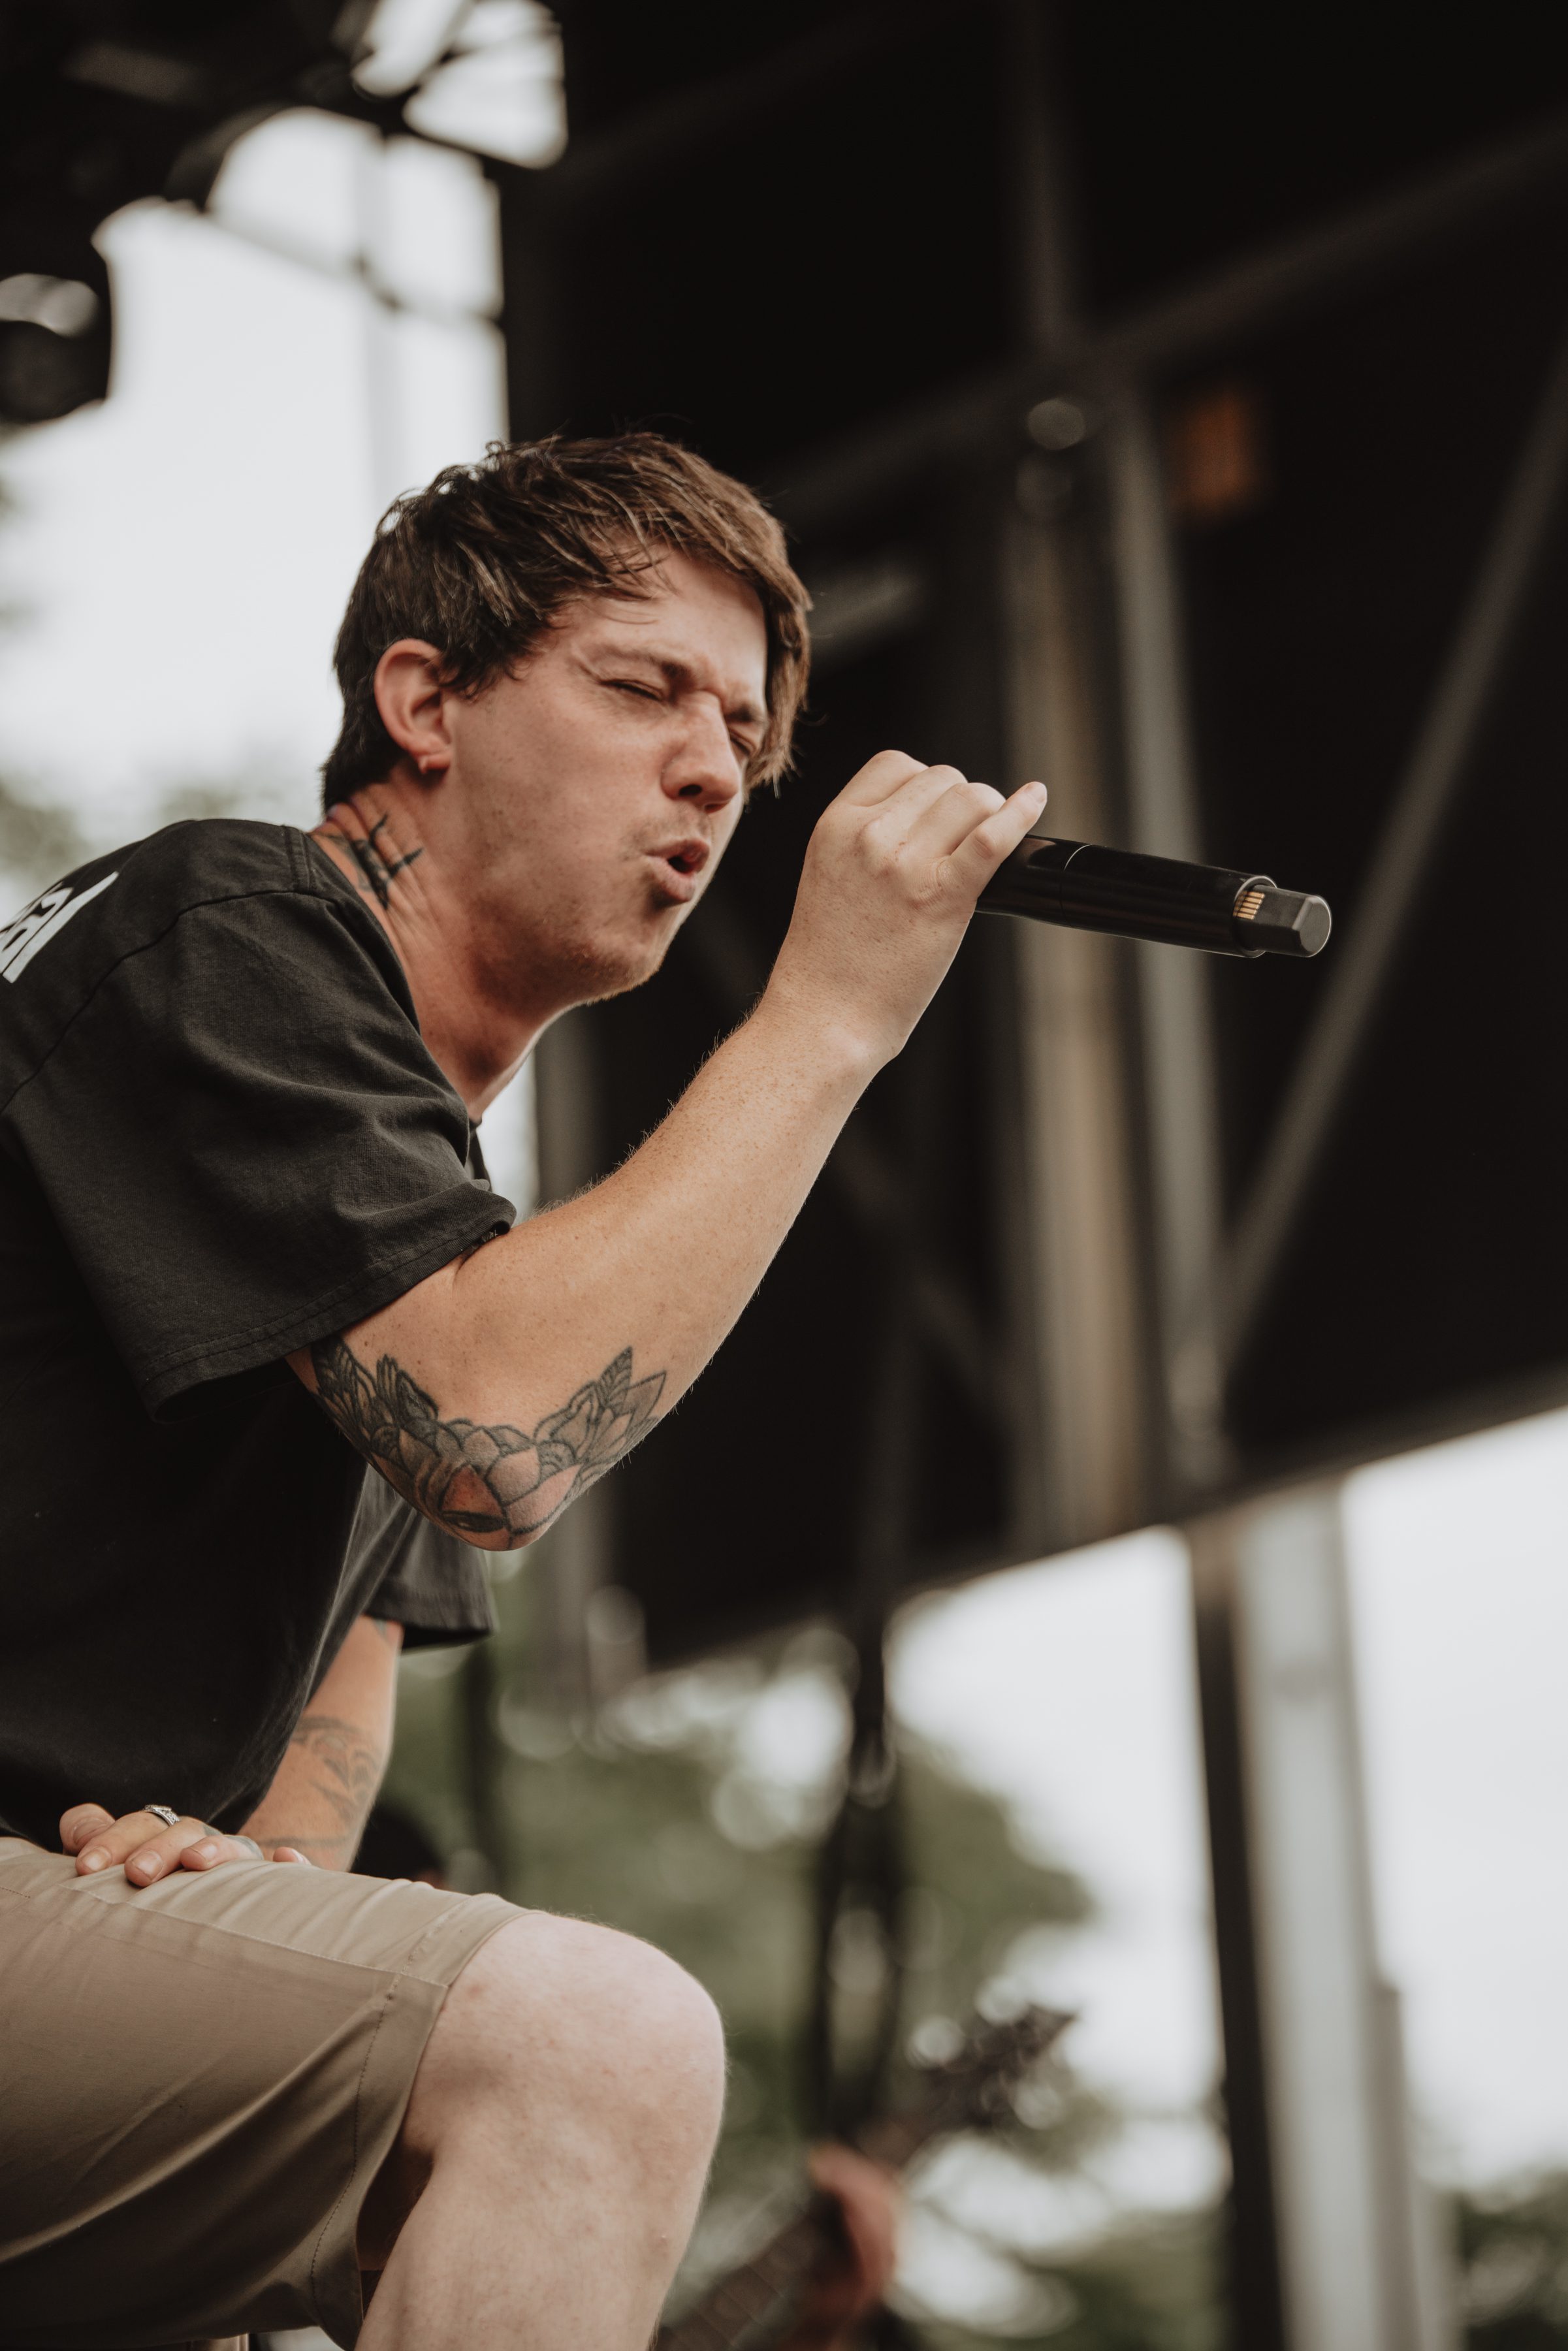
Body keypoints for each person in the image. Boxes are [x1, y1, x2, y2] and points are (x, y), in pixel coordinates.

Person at [0, 433, 1044, 2351]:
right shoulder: (224, 930)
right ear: (424, 703)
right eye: (641, 687)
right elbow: (489, 1435)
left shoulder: (414, 1210)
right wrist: (826, 1018)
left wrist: (247, 1880)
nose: (713, 769)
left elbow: (335, 1701)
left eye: (743, 729)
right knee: (602, 2045)